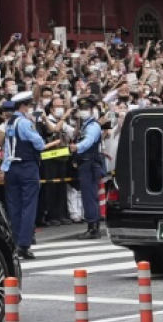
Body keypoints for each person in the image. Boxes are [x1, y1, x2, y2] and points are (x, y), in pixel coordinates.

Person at [0, 91, 60, 259]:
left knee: (14, 207)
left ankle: (15, 240)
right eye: (28, 105)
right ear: (23, 106)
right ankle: (24, 244)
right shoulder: (25, 123)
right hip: (27, 166)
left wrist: (4, 168)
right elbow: (39, 144)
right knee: (29, 206)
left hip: (11, 167)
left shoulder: (9, 123)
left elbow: (7, 148)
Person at [70, 96, 106, 240]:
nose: (83, 112)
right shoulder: (84, 126)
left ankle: (93, 228)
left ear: (92, 110)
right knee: (89, 195)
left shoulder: (93, 126)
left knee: (89, 196)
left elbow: (88, 141)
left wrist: (76, 147)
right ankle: (93, 226)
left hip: (89, 163)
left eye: (86, 109)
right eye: (81, 109)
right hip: (86, 163)